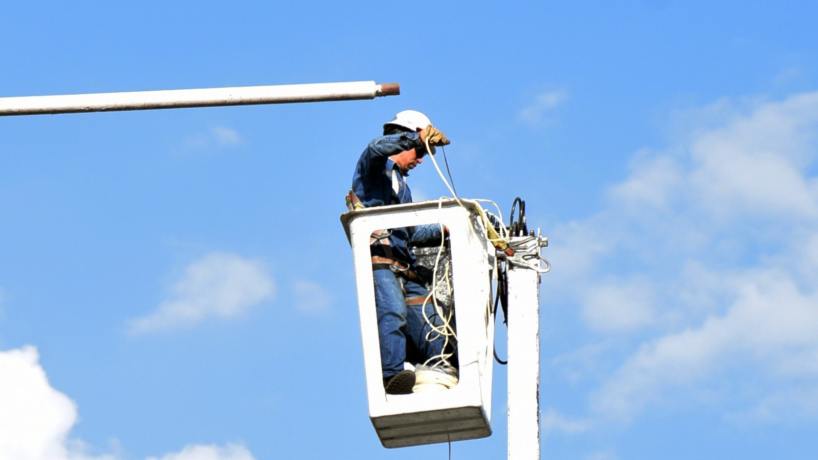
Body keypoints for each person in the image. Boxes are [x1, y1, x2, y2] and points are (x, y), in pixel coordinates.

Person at [350, 110, 455, 394]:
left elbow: (408, 234)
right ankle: (392, 376)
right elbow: (375, 147)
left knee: (430, 319)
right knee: (393, 312)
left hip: (404, 265)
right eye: (420, 152)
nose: (421, 159)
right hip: (381, 261)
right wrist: (417, 138)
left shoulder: (403, 187)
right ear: (403, 140)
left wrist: (446, 229)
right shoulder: (374, 168)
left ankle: (443, 365)